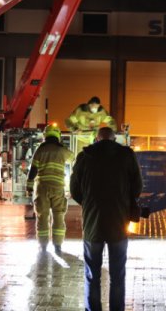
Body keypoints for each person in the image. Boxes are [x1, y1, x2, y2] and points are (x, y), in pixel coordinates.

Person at [70, 127, 142, 311]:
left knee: (92, 274)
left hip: (92, 224)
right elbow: (137, 188)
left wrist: (88, 204)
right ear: (114, 139)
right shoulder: (126, 156)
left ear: (97, 139)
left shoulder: (84, 157)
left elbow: (74, 190)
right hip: (119, 223)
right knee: (117, 274)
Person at [27, 123, 75, 254]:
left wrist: (29, 186)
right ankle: (57, 245)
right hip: (58, 187)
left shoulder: (40, 150)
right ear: (58, 136)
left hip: (42, 187)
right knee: (58, 216)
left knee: (42, 216)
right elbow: (73, 157)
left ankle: (43, 246)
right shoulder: (61, 150)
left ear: (45, 136)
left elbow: (33, 169)